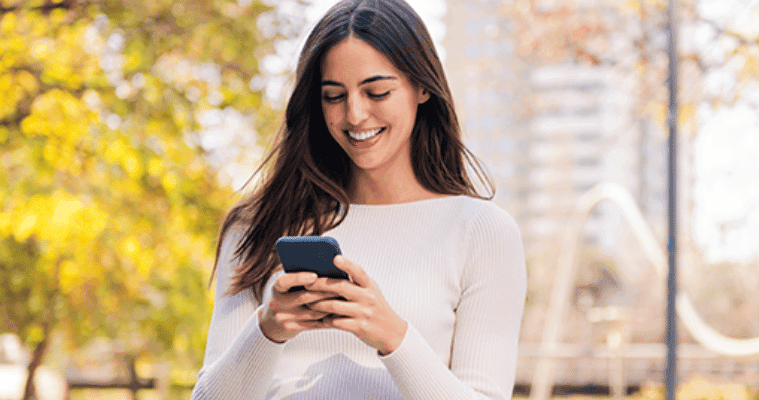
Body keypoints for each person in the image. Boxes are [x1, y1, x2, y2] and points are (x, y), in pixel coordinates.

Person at [190, 0, 527, 399]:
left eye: (377, 91)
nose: (354, 115)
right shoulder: (258, 225)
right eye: (334, 96)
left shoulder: (482, 232)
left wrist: (392, 336)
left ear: (422, 87)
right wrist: (268, 328)